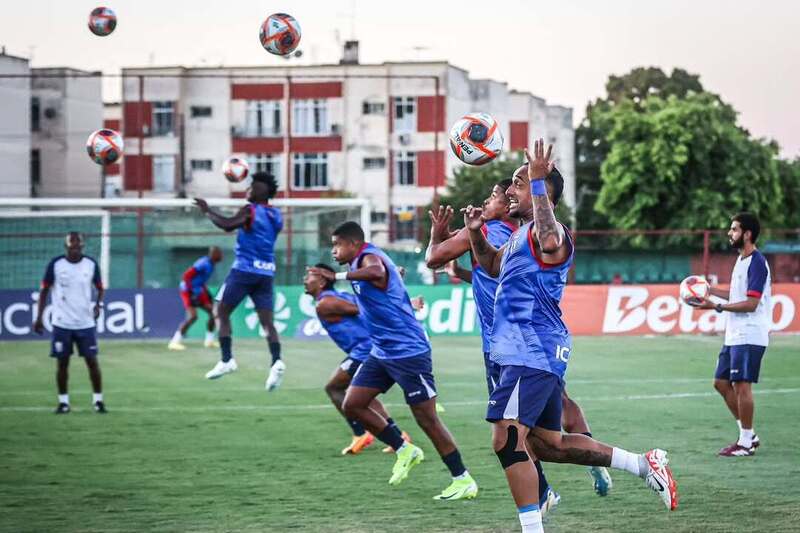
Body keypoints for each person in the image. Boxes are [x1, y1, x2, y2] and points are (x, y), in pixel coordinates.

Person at [465, 140, 677, 532]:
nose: (510, 190)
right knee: (548, 445)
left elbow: (549, 240)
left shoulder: (552, 231)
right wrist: (476, 234)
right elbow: (492, 266)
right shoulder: (518, 235)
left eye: (519, 183)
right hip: (525, 349)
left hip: (531, 348)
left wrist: (540, 181)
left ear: (542, 191)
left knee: (507, 441)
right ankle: (642, 463)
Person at [426, 181, 613, 501]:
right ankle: (592, 462)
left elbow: (434, 258)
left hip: (507, 344)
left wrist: (439, 233)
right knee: (558, 407)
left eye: (494, 196)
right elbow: (483, 272)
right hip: (534, 339)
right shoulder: (515, 239)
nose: (488, 200)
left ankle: (544, 494)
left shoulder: (494, 231)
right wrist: (464, 252)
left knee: (513, 429)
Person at [309, 222, 478, 501]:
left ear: (353, 244)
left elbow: (377, 271)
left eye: (337, 244)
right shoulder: (363, 265)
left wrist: (337, 275)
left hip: (408, 352)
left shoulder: (367, 259)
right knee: (353, 403)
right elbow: (385, 281)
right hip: (382, 351)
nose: (334, 250)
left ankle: (463, 479)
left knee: (427, 419)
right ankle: (404, 449)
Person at [303, 263, 412, 455]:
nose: (305, 280)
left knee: (334, 388)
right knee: (363, 396)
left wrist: (390, 282)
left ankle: (361, 433)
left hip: (364, 350)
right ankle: (397, 436)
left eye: (309, 276)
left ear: (321, 281)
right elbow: (367, 303)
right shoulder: (336, 297)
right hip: (365, 349)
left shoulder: (326, 303)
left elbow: (365, 307)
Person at [194, 172, 285, 390]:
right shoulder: (277, 215)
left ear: (264, 191)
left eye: (253, 186)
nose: (249, 189)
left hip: (244, 271)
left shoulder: (250, 210)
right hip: (266, 273)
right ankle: (276, 361)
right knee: (267, 322)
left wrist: (207, 210)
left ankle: (227, 360)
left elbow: (227, 225)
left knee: (220, 311)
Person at [695, 212, 770, 456]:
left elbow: (751, 304)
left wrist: (715, 306)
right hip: (734, 334)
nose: (730, 233)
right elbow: (737, 296)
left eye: (734, 229)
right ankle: (749, 434)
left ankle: (746, 443)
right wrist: (710, 290)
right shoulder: (741, 260)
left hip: (749, 334)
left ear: (747, 234)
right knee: (720, 382)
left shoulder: (757, 262)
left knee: (741, 386)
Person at [33, 232, 106, 414]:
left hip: (85, 323)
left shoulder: (90, 264)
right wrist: (39, 317)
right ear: (66, 246)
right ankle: (63, 403)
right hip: (61, 323)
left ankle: (98, 401)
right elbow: (44, 291)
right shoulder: (56, 265)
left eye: (79, 245)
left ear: (83, 246)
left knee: (92, 362)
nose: (75, 247)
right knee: (62, 363)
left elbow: (100, 287)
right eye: (72, 244)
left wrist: (99, 304)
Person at [168, 246, 223, 350]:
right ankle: (174, 342)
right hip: (188, 291)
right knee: (193, 316)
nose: (221, 256)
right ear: (214, 254)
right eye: (219, 254)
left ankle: (209, 341)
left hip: (199, 291)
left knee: (213, 313)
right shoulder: (203, 263)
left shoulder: (211, 264)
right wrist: (192, 292)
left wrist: (205, 294)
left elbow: (200, 281)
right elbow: (187, 276)